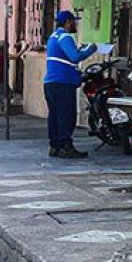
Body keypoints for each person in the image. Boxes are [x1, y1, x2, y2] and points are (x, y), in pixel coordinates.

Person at [45, 11, 97, 158]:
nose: (75, 25)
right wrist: (90, 50)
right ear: (68, 22)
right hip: (63, 82)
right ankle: (66, 146)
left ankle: (55, 146)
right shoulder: (65, 36)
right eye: (74, 22)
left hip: (51, 82)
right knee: (66, 116)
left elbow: (65, 55)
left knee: (54, 115)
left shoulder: (53, 37)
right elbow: (74, 57)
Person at [0, 40, 23, 117]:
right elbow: (16, 57)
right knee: (8, 94)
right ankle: (6, 110)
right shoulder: (4, 55)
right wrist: (24, 49)